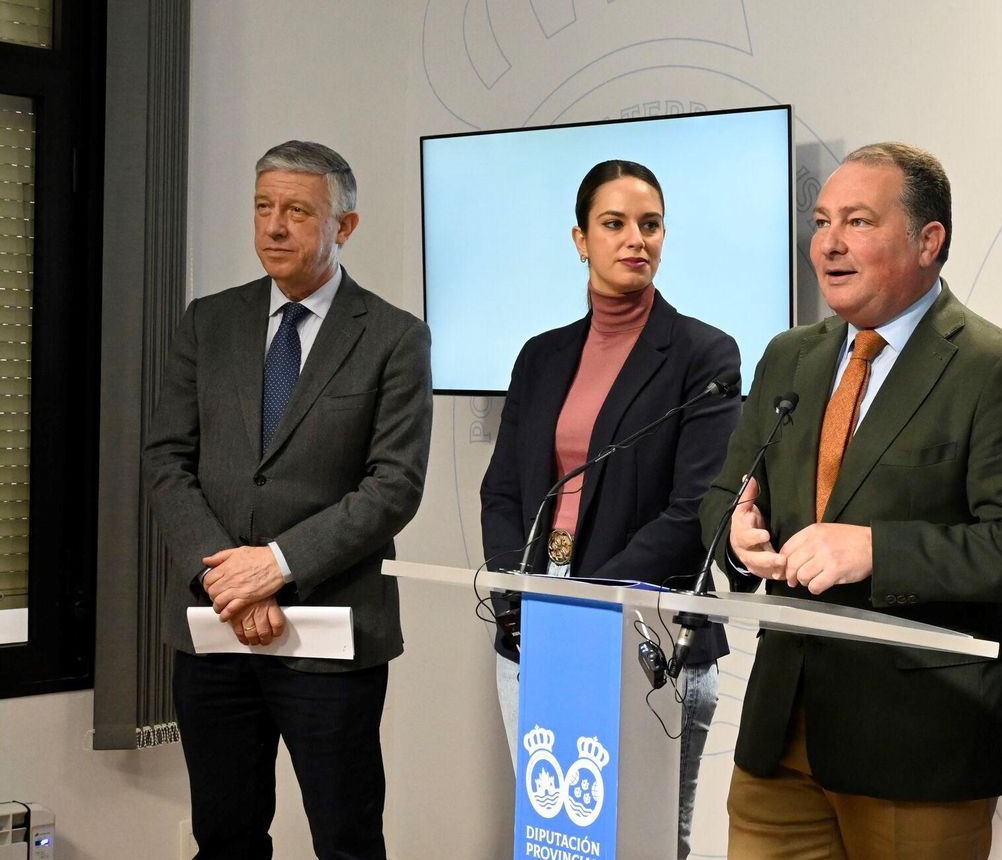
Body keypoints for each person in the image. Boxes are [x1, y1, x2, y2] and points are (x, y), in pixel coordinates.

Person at [699, 142, 1002, 859]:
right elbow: (727, 492)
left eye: (859, 222)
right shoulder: (789, 355)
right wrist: (735, 532)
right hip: (783, 731)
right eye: (822, 222)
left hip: (921, 744)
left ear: (928, 240)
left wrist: (875, 549)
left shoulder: (997, 369)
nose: (830, 245)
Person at [144, 140, 433, 859]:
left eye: (298, 211)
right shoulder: (208, 322)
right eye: (263, 207)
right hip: (215, 634)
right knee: (225, 837)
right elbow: (166, 459)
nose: (274, 226)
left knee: (346, 839)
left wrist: (274, 566)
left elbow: (393, 485)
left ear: (345, 227)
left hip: (332, 634)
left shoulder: (395, 337)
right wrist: (228, 579)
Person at [479, 159, 740, 859]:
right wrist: (517, 596)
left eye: (650, 225)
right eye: (614, 224)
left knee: (651, 845)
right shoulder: (540, 356)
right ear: (580, 239)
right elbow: (502, 489)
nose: (636, 239)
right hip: (534, 632)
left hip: (648, 641)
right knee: (555, 841)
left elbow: (695, 512)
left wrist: (588, 608)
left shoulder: (702, 354)